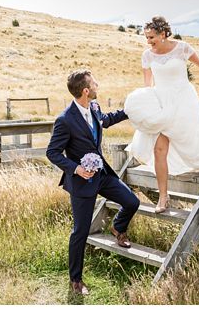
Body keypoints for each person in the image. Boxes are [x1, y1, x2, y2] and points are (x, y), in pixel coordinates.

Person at [124, 16, 199, 211]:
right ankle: (163, 197)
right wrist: (146, 108)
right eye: (146, 37)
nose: (148, 41)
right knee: (159, 149)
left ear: (163, 34)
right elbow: (147, 85)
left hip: (184, 102)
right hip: (163, 104)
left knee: (191, 143)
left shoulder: (182, 48)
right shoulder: (147, 56)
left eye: (151, 37)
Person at [46, 69, 140, 297]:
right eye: (95, 83)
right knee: (80, 232)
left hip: (103, 176)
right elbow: (52, 152)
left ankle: (118, 228)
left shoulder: (95, 108)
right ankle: (76, 280)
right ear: (86, 91)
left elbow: (105, 121)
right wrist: (76, 169)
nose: (98, 85)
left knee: (132, 202)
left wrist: (129, 111)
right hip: (81, 183)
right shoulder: (65, 120)